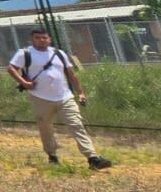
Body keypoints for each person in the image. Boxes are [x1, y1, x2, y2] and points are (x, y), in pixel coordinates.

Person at [7, 28, 112, 169]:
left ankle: (92, 158)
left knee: (76, 124)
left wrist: (81, 92)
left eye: (44, 37)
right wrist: (24, 83)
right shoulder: (25, 53)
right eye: (37, 37)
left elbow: (71, 74)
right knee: (45, 128)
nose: (41, 40)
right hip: (40, 97)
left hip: (65, 97)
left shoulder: (59, 54)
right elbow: (11, 68)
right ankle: (52, 155)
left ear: (49, 39)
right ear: (32, 39)